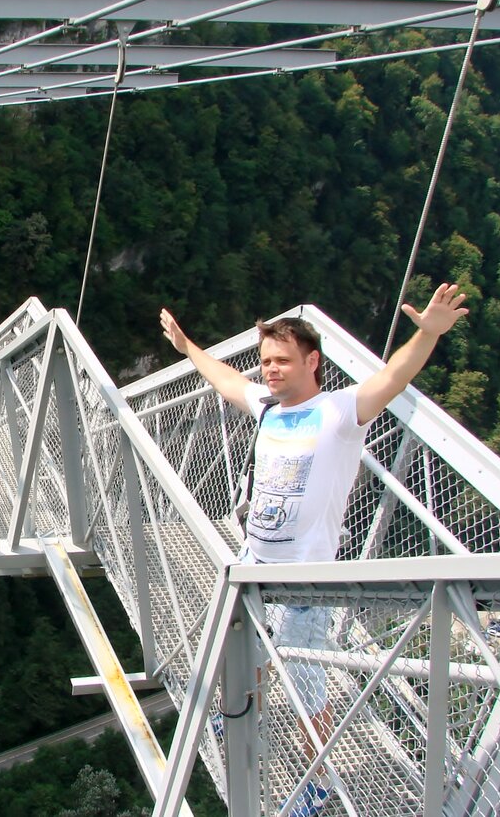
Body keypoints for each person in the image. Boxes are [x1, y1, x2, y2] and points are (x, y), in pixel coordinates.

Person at [159, 283, 469, 816]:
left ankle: (320, 780)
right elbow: (227, 380)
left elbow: (394, 376)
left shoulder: (342, 410)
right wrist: (188, 347)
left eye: (281, 361)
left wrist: (427, 333)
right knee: (245, 654)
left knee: (307, 692)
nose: (270, 370)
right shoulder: (265, 407)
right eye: (265, 361)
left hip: (305, 581)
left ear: (313, 361)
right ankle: (239, 706)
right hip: (255, 564)